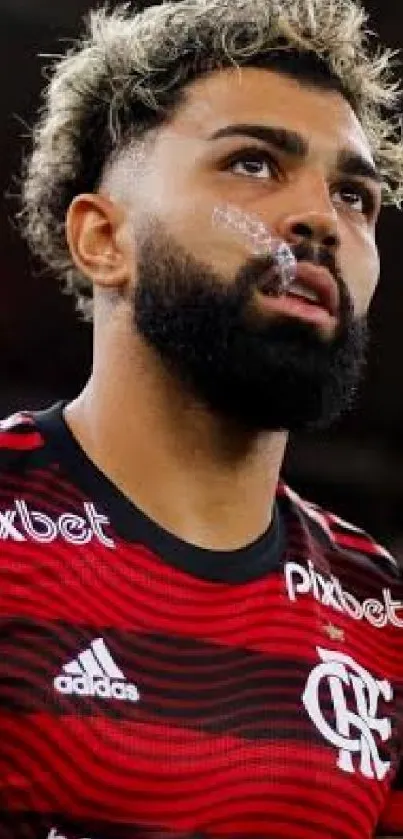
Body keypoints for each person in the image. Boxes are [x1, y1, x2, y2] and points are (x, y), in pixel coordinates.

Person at [2, 0, 403, 836]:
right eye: (253, 164)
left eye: (355, 196)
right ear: (103, 237)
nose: (320, 221)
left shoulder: (383, 612)